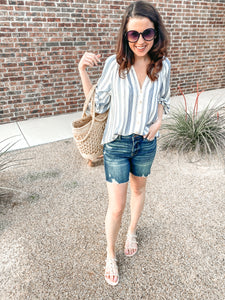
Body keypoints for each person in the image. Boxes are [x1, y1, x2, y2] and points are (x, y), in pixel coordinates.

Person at [78, 0, 170, 286]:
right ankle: (110, 253)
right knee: (116, 206)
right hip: (117, 145)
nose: (140, 41)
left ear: (156, 34)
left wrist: (158, 123)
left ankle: (132, 232)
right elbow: (97, 102)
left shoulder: (162, 65)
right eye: (133, 34)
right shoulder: (114, 65)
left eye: (147, 33)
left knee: (139, 190)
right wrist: (82, 70)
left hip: (145, 143)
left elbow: (163, 101)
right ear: (125, 35)